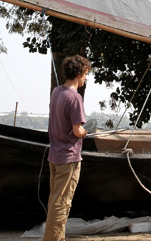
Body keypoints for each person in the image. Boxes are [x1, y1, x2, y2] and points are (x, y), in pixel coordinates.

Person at [43, 55, 91, 241]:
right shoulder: (75, 98)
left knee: (55, 201)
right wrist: (87, 132)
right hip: (68, 159)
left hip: (54, 156)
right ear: (79, 74)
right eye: (85, 74)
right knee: (61, 204)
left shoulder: (56, 92)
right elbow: (78, 130)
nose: (86, 78)